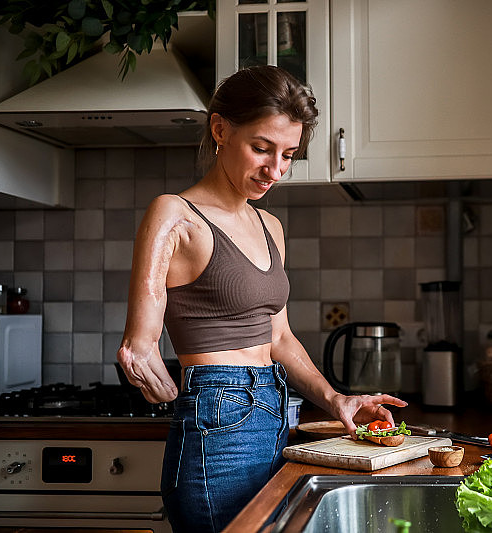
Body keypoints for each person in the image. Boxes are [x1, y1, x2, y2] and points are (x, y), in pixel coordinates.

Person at [117, 65, 407, 533]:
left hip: (276, 416)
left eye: (289, 155)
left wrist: (337, 401)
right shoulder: (175, 214)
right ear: (219, 131)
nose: (276, 170)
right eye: (261, 149)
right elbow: (142, 339)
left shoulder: (271, 227)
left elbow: (279, 336)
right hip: (218, 425)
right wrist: (142, 357)